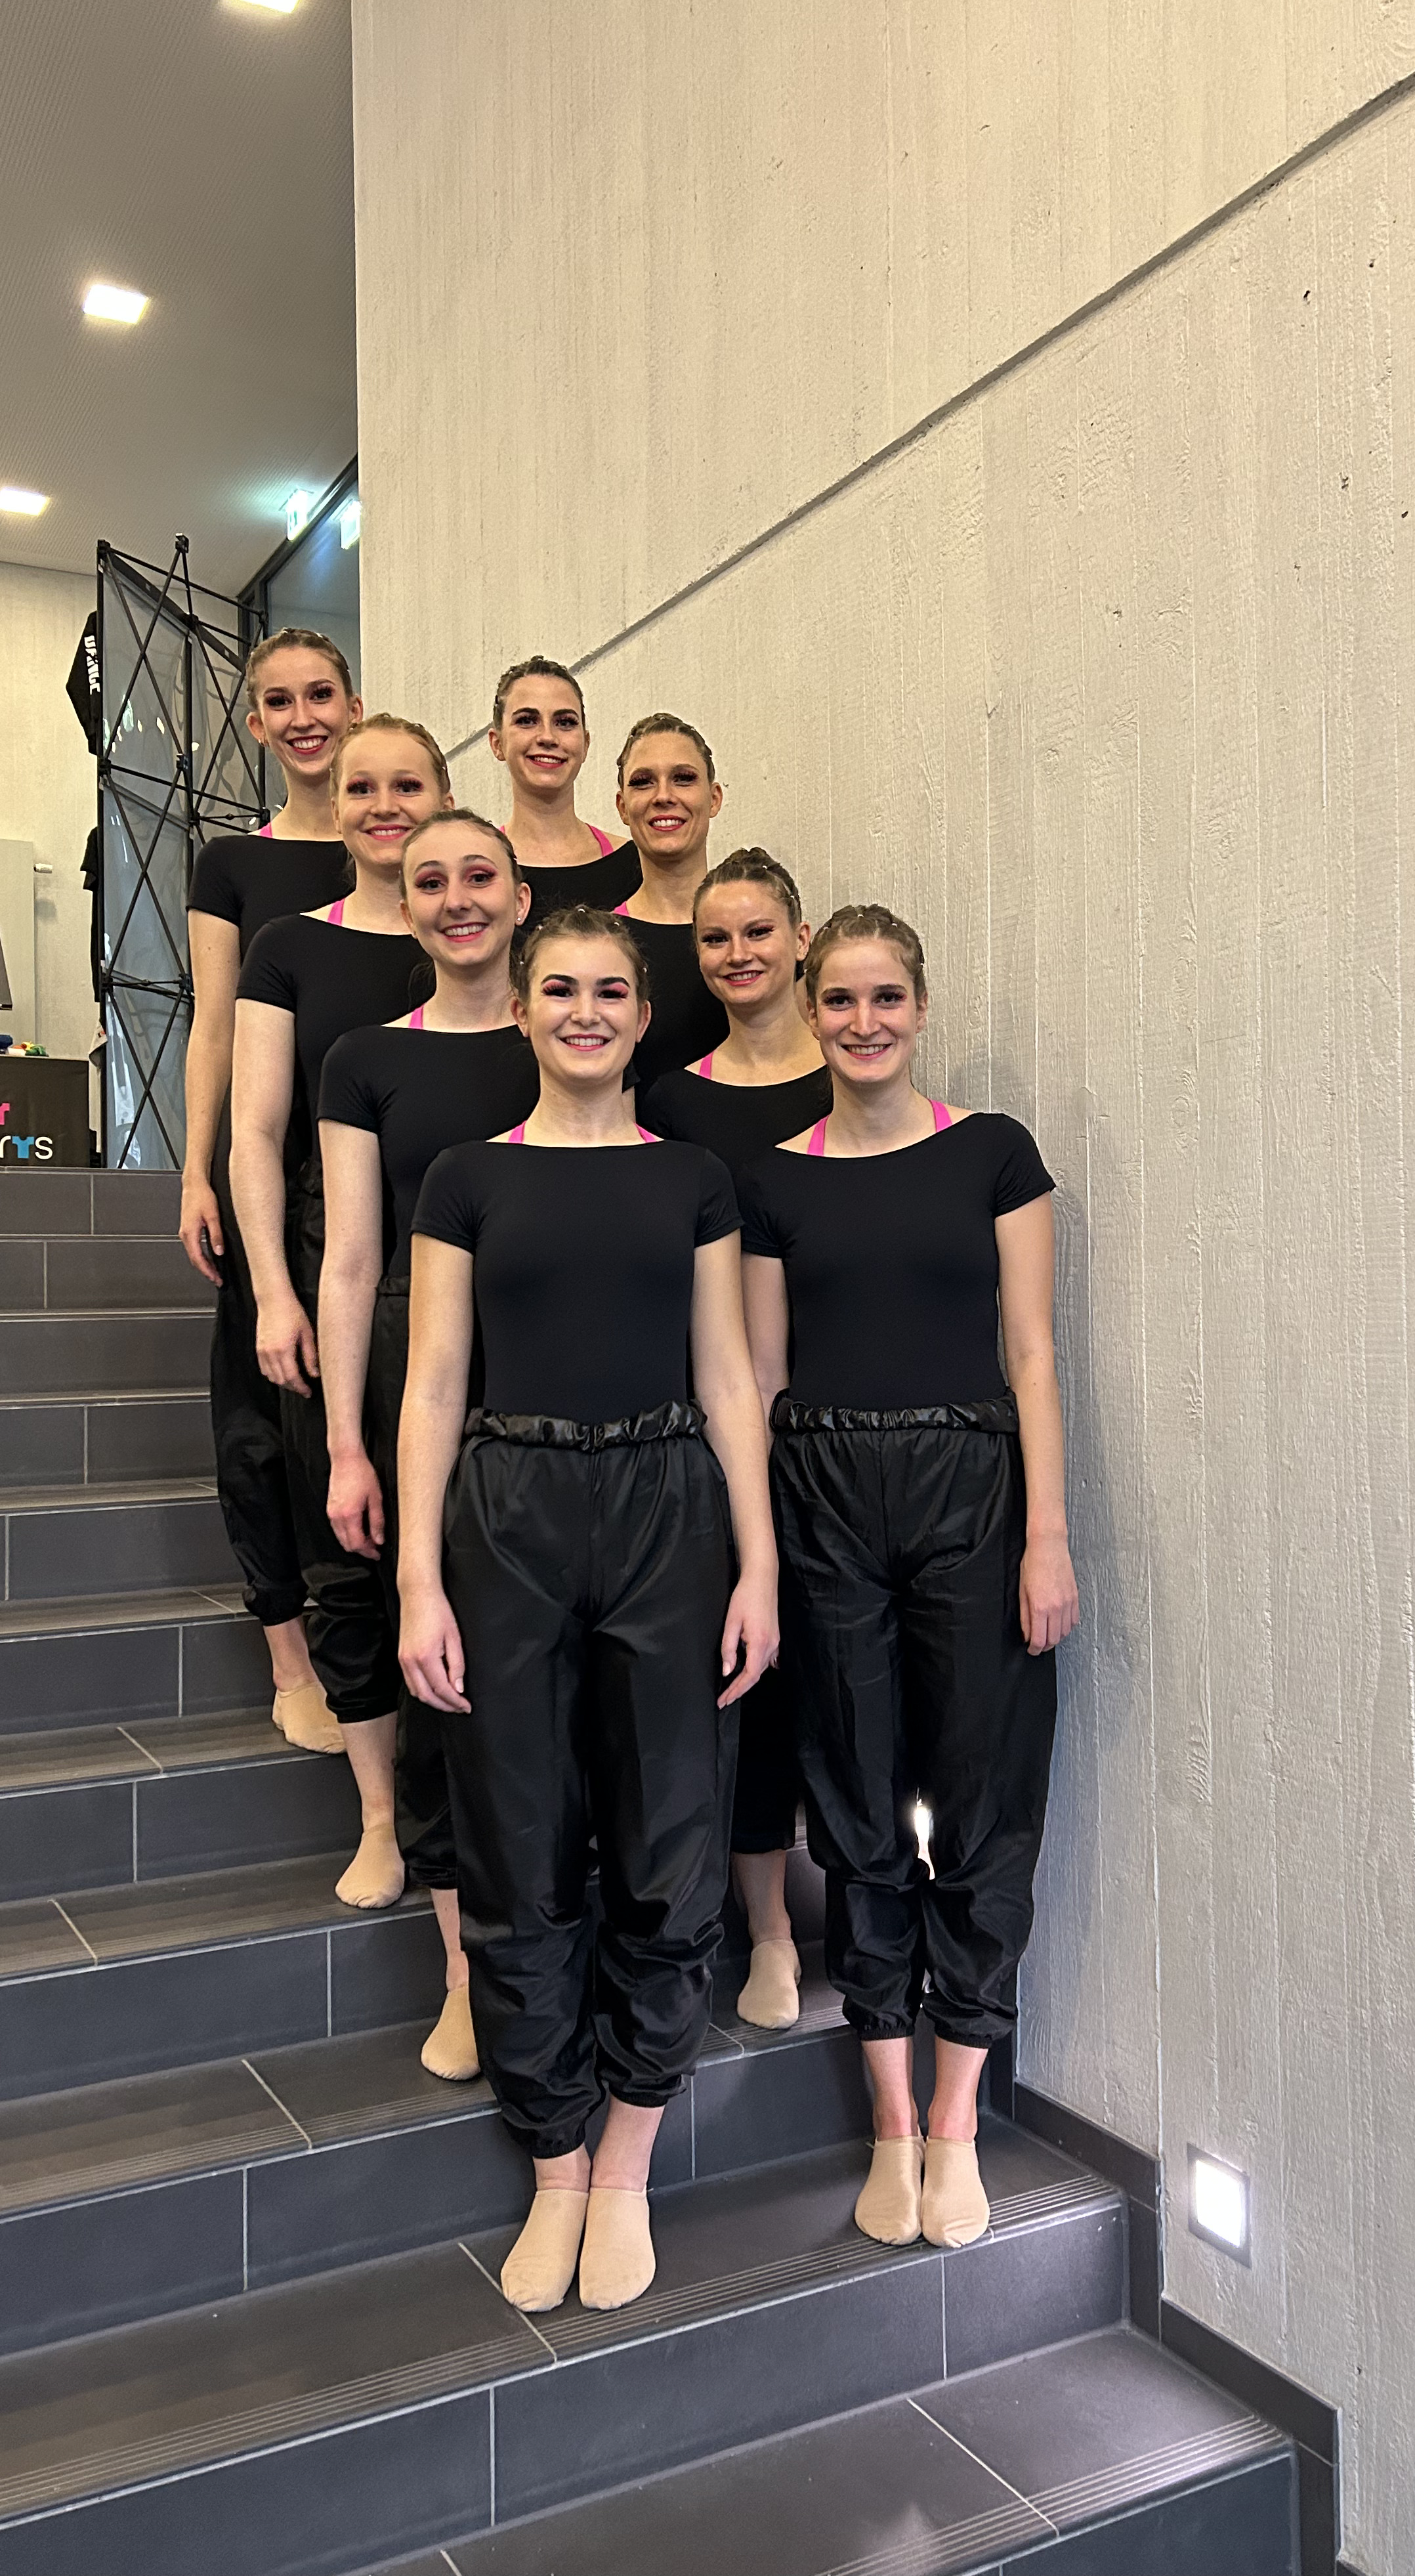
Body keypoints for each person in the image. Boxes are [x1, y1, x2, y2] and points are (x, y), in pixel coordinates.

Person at [396, 905, 778, 2316]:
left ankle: (626, 2160)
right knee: (515, 1837)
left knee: (669, 1836)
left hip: (668, 1504)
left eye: (610, 990)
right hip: (507, 1507)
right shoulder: (466, 1176)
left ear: (641, 1012)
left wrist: (758, 1563)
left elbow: (728, 1377)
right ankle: (554, 2154)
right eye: (558, 988)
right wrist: (418, 1578)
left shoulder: (691, 1177)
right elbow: (434, 1383)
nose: (584, 1011)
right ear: (523, 1009)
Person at [738, 903, 1076, 2253]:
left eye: (885, 998)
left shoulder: (993, 1153)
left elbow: (1032, 1353)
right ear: (810, 1012)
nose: (863, 1022)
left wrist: (1046, 1534)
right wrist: (760, 1552)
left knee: (984, 1803)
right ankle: (890, 2114)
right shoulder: (772, 1179)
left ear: (920, 1008)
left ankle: (956, 2117)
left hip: (970, 1490)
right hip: (820, 1492)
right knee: (854, 1799)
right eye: (839, 1000)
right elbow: (763, 1379)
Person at [314, 810, 540, 2083]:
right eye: (431, 881)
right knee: (445, 1679)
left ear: (521, 896)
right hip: (420, 1376)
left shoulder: (575, 1032)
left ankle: (559, 1945)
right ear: (404, 905)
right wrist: (346, 1440)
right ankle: (461, 1971)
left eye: (479, 876)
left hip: (557, 1373)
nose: (458, 898)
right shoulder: (364, 1060)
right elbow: (350, 1261)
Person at [228, 716, 445, 1904]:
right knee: (350, 1550)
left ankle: (465, 1822)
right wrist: (274, 1287)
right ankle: (378, 1818)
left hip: (467, 1277)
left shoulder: (485, 944)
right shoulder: (289, 946)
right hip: (333, 1266)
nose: (383, 803)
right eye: (364, 786)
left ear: (443, 796)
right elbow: (257, 1130)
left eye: (408, 784)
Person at [641, 846, 831, 2031]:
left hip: (848, 1418)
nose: (738, 953)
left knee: (837, 1677)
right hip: (721, 1424)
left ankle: (862, 1908)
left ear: (799, 940)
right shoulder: (672, 1103)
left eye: (759, 931)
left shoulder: (854, 1067)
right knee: (745, 1679)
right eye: (715, 938)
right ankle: (766, 1929)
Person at [180, 630, 358, 1755]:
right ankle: (289, 1651)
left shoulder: (405, 846)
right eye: (279, 702)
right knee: (261, 1411)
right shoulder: (232, 864)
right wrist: (195, 1168)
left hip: (382, 1165)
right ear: (255, 726)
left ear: (353, 705)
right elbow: (212, 1026)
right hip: (267, 1167)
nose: (303, 718)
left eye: (320, 695)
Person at [612, 713, 729, 1089]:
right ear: (622, 807)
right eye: (643, 782)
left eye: (683, 778)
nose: (664, 796)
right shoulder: (602, 944)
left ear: (714, 798)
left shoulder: (762, 935)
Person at [487, 656, 640, 918]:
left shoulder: (633, 864)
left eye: (565, 722)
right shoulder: (478, 868)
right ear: (497, 743)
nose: (547, 737)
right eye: (527, 720)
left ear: (586, 744)